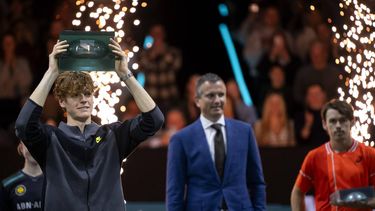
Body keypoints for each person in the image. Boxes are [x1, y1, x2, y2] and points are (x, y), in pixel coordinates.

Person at [14, 39, 164, 210]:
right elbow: (23, 126)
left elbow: (154, 120)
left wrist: (125, 74)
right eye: (75, 95)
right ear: (62, 101)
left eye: (87, 94)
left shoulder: (113, 135)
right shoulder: (51, 139)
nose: (84, 99)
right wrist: (51, 73)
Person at [166, 73, 266, 211]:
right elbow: (174, 192)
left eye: (221, 94)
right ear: (197, 100)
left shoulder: (245, 132)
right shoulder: (181, 139)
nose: (217, 100)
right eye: (210, 95)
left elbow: (257, 183)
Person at [290, 99, 375, 211]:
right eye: (333, 121)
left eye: (343, 120)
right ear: (324, 124)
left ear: (352, 122)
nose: (338, 126)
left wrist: (356, 203)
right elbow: (297, 193)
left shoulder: (369, 154)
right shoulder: (314, 157)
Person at [0, 141, 43, 211]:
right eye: (29, 144)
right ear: (21, 148)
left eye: (39, 145)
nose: (34, 149)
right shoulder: (7, 185)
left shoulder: (56, 183)